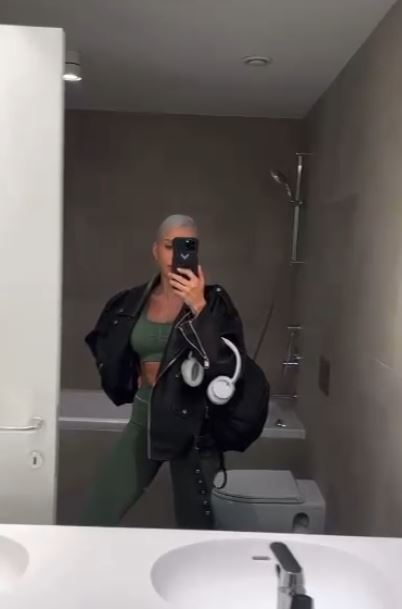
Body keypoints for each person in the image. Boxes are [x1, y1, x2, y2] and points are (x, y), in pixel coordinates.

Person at [82, 214, 246, 529]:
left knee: (195, 528)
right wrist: (126, 375)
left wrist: (198, 307)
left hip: (194, 424)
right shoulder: (132, 301)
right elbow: (107, 342)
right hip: (146, 416)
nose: (177, 255)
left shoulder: (214, 302)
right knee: (98, 513)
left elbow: (228, 365)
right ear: (156, 250)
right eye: (170, 246)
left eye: (187, 246)